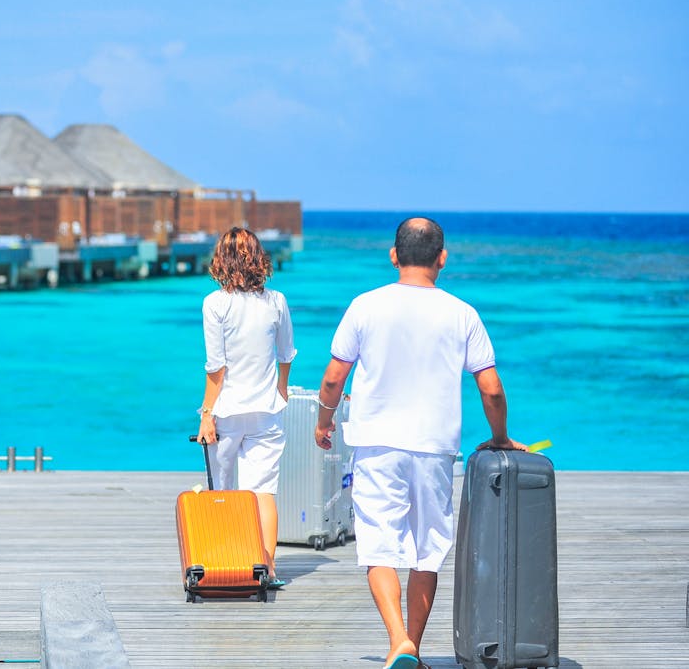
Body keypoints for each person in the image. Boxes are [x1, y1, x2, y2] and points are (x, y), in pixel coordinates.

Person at [313, 217, 526, 669]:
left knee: (379, 543)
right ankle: (412, 643)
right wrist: (500, 437)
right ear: (442, 258)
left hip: (376, 443)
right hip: (433, 447)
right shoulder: (462, 313)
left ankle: (397, 644)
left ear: (394, 255)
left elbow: (334, 378)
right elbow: (490, 388)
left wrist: (323, 422)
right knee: (427, 546)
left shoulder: (365, 306)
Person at [196, 227, 296, 582]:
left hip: (227, 411)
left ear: (220, 261)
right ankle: (267, 567)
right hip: (267, 411)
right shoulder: (277, 301)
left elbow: (216, 367)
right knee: (263, 492)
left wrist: (206, 414)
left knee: (221, 491)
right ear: (259, 259)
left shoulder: (215, 303)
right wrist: (281, 390)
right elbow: (286, 354)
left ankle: (226, 562)